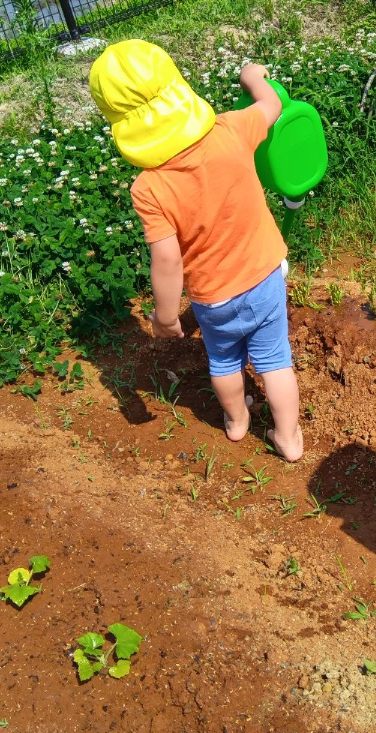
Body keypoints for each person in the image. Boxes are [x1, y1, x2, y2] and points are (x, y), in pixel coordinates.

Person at [89, 40, 303, 462]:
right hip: (264, 276)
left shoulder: (149, 187)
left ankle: (237, 422)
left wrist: (167, 317)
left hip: (214, 297)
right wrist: (252, 78)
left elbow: (167, 260)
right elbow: (273, 104)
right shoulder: (231, 128)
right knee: (275, 360)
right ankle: (289, 438)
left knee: (223, 361)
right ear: (177, 86)